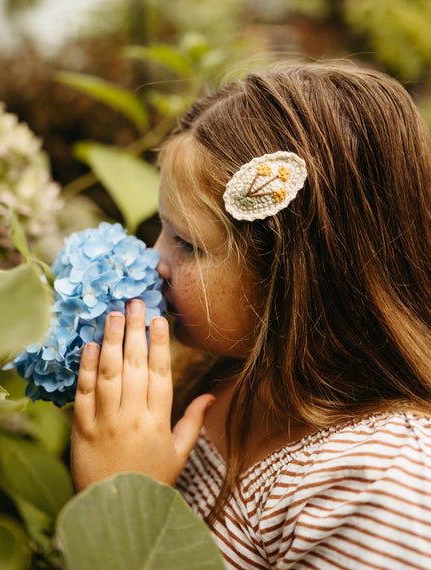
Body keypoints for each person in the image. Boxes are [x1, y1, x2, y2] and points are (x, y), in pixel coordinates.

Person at [70, 63, 431, 569]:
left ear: (294, 274)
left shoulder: (378, 486)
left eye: (188, 243)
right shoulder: (235, 370)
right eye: (161, 227)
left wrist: (123, 508)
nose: (154, 259)